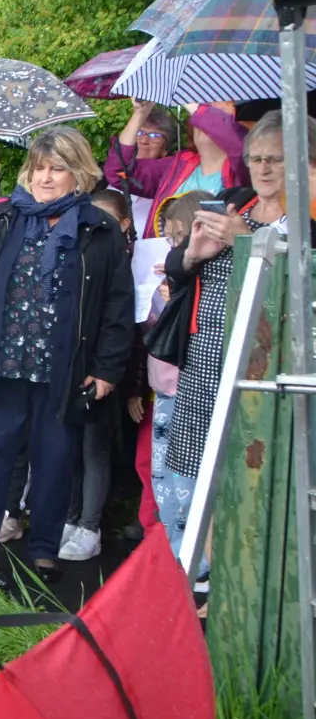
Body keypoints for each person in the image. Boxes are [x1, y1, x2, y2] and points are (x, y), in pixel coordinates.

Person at [0, 126, 134, 586]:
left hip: (63, 369)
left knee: (55, 462)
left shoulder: (99, 229)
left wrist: (108, 368)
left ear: (79, 173)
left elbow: (117, 304)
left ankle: (45, 550)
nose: (46, 178)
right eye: (40, 167)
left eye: (58, 168)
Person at [163, 112, 314, 571]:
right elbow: (176, 269)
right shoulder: (231, 201)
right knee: (202, 480)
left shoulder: (307, 216)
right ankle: (219, 583)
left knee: (257, 479)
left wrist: (248, 241)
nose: (264, 169)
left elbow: (299, 287)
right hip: (207, 359)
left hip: (267, 369)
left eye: (276, 159)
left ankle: (252, 585)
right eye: (256, 159)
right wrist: (191, 253)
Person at [59, 189, 142, 561]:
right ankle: (71, 517)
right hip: (70, 369)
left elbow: (120, 320)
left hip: (104, 370)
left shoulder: (122, 261)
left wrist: (107, 371)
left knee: (95, 451)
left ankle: (90, 527)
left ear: (123, 224)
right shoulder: (76, 254)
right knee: (71, 450)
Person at [146, 191, 204, 559]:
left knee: (188, 478)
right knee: (161, 474)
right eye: (170, 237)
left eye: (181, 237)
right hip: (162, 391)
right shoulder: (167, 273)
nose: (175, 246)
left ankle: (196, 558)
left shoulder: (206, 276)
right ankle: (171, 549)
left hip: (192, 391)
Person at [106, 98, 247, 237]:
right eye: (203, 119)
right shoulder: (178, 164)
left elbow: (239, 149)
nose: (208, 123)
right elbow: (118, 172)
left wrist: (194, 104)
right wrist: (140, 114)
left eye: (219, 117)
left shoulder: (243, 169)